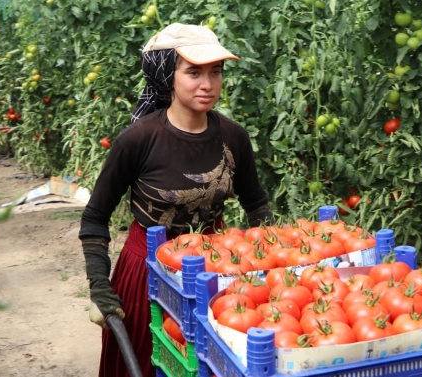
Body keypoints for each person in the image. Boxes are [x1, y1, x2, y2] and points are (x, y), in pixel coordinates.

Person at [79, 22, 273, 376]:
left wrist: (270, 258)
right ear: (169, 75)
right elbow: (94, 217)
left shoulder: (233, 137)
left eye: (216, 72)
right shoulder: (138, 140)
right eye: (194, 72)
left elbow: (256, 203)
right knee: (147, 359)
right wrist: (100, 287)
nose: (208, 84)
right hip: (147, 276)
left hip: (215, 274)